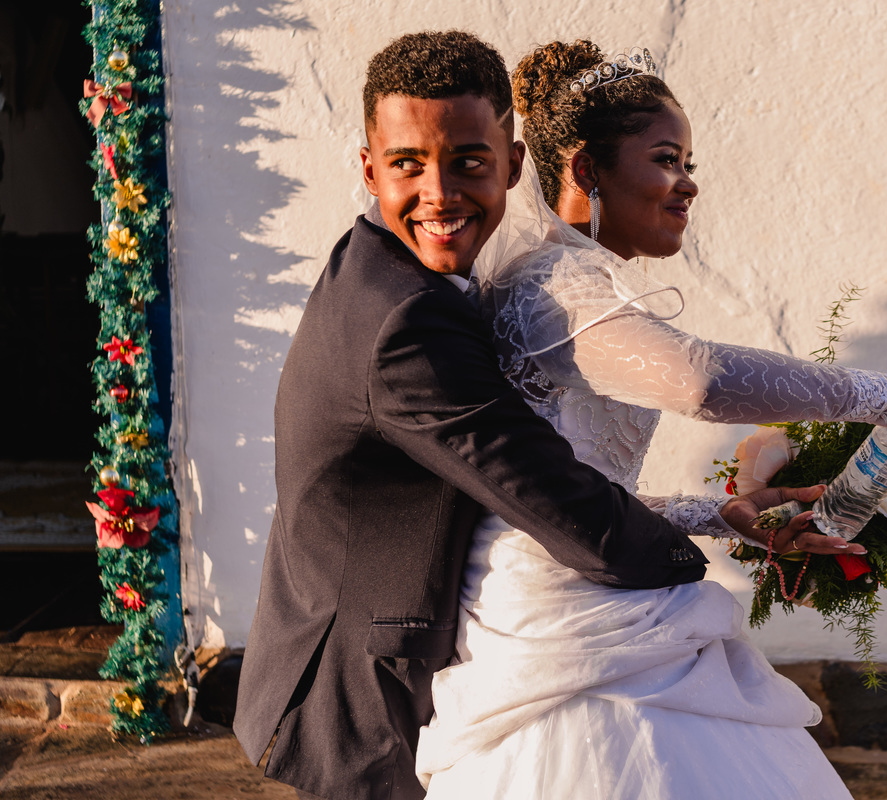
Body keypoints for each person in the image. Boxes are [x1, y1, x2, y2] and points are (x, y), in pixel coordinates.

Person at [232, 31, 845, 800]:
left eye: (468, 163)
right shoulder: (402, 322)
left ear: (515, 165)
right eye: (407, 166)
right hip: (359, 687)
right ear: (367, 169)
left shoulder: (408, 270)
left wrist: (720, 514)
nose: (441, 193)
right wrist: (688, 588)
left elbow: (534, 483)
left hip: (428, 636)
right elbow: (560, 495)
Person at [413, 41, 887, 798]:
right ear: (585, 171)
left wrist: (723, 514)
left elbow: (567, 497)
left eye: (691, 161)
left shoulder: (569, 282)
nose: (689, 183)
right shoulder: (553, 285)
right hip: (568, 636)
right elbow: (700, 381)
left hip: (591, 586)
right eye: (667, 158)